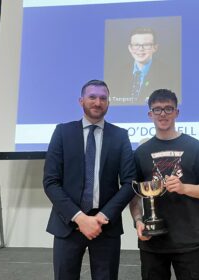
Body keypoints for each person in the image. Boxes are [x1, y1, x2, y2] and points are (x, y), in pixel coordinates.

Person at [43, 79, 136, 280]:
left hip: (105, 225)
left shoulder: (120, 136)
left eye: (103, 98)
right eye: (92, 97)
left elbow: (129, 183)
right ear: (81, 101)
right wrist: (79, 217)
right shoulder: (62, 132)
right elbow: (51, 182)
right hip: (68, 223)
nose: (97, 102)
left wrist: (103, 216)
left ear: (108, 103)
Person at [129, 89, 199, 280]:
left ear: (177, 113)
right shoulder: (141, 153)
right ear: (149, 114)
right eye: (157, 109)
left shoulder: (195, 147)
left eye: (168, 109)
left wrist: (184, 188)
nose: (163, 114)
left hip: (188, 241)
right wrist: (137, 221)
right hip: (152, 241)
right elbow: (135, 194)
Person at [107, 27, 180, 106]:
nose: (141, 49)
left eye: (146, 45)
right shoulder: (118, 74)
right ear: (130, 48)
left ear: (155, 47)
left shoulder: (169, 74)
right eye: (136, 45)